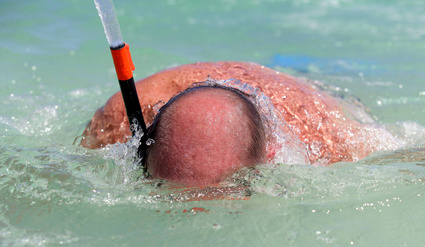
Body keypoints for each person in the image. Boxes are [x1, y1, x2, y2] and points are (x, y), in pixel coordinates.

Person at [81, 61, 397, 185]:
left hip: (314, 82)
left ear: (272, 156)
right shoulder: (122, 117)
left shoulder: (325, 137)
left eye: (224, 190)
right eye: (163, 187)